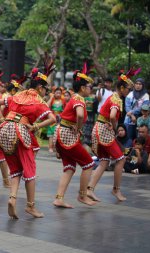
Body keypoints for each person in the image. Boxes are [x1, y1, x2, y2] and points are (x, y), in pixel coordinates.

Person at [0, 66, 56, 219]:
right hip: (20, 132)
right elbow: (53, 119)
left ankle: (12, 199)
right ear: (40, 88)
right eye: (45, 89)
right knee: (29, 171)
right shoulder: (38, 100)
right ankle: (30, 206)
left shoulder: (18, 95)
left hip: (4, 130)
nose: (45, 92)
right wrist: (35, 126)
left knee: (15, 169)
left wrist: (2, 118)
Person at [87, 68, 140, 202]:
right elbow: (112, 116)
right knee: (121, 159)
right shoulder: (116, 100)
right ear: (121, 88)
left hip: (99, 128)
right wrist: (114, 127)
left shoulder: (114, 97)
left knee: (104, 161)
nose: (129, 91)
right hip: (104, 130)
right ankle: (116, 189)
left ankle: (89, 189)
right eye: (128, 88)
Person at [53, 64, 96, 208]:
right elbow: (79, 114)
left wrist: (77, 128)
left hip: (61, 135)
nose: (90, 89)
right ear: (83, 88)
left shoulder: (74, 97)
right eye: (89, 86)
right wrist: (78, 128)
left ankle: (59, 198)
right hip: (67, 137)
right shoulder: (79, 99)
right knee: (89, 163)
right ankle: (82, 195)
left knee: (70, 168)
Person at [46, 87, 64, 153]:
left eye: (60, 93)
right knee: (51, 134)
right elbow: (47, 106)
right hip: (52, 118)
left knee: (58, 134)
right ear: (54, 93)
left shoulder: (63, 101)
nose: (58, 94)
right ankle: (50, 147)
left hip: (60, 119)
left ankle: (56, 148)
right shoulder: (52, 100)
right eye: (57, 93)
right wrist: (51, 97)